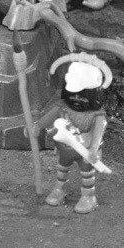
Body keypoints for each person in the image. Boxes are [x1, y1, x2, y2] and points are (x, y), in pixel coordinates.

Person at [31, 53, 111, 213]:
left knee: (87, 173)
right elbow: (50, 117)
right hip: (65, 148)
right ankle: (59, 189)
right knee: (62, 168)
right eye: (72, 94)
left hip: (86, 150)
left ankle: (88, 196)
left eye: (81, 95)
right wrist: (38, 126)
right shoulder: (63, 107)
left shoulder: (97, 116)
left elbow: (98, 132)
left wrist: (94, 148)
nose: (76, 99)